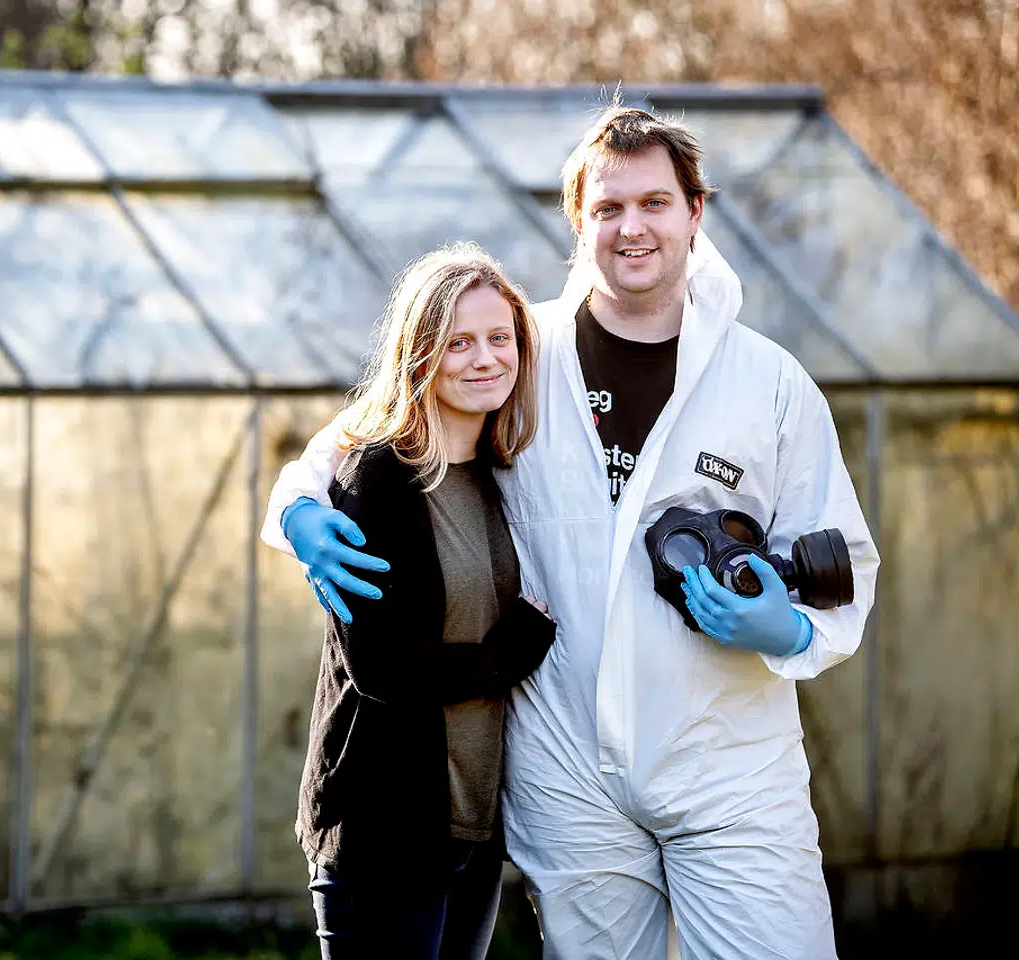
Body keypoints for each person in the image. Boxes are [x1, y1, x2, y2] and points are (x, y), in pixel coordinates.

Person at [263, 104, 880, 959]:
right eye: (608, 208)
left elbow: (843, 557)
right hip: (571, 780)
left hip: (729, 771)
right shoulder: (521, 353)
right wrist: (298, 505)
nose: (633, 228)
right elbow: (371, 431)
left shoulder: (768, 384)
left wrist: (787, 626)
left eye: (656, 204)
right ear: (577, 222)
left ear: (697, 212)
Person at [295, 242, 556, 959]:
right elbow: (382, 666)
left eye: (498, 339)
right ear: (419, 355)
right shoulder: (377, 475)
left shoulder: (504, 474)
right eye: (458, 344)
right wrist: (510, 655)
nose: (484, 359)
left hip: (472, 832)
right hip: (387, 830)